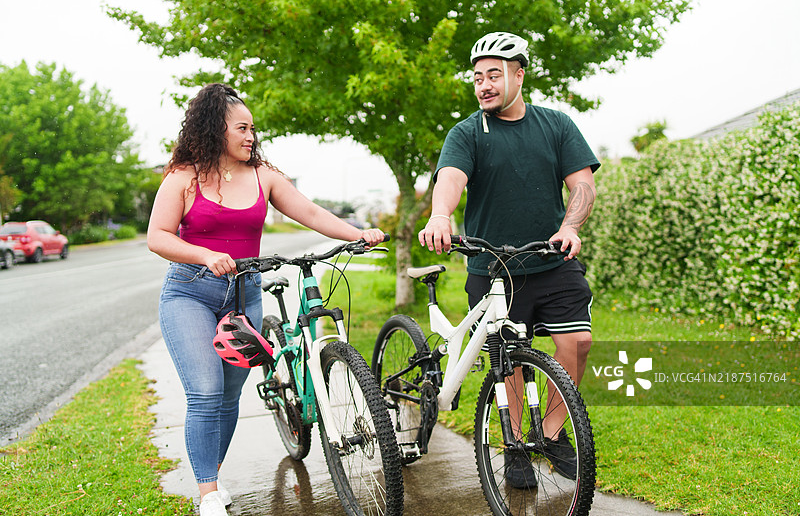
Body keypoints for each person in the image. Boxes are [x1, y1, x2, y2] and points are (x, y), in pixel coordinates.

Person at [147, 83, 384, 516]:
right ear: (215, 130)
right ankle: (208, 495)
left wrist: (357, 234)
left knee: (231, 394)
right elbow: (157, 237)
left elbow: (310, 212)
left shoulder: (264, 175)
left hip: (244, 296)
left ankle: (211, 476)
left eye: (253, 128)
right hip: (190, 293)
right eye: (241, 128)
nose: (250, 135)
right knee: (204, 391)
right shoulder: (184, 177)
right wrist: (205, 253)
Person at [418, 32, 599, 488]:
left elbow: (583, 185)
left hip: (551, 259)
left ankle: (552, 433)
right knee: (510, 361)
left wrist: (570, 226)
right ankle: (515, 442)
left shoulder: (556, 125)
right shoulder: (466, 133)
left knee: (576, 344)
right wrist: (441, 214)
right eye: (477, 77)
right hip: (493, 269)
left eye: (494, 74)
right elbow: (451, 179)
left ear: (519, 75)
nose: (484, 84)